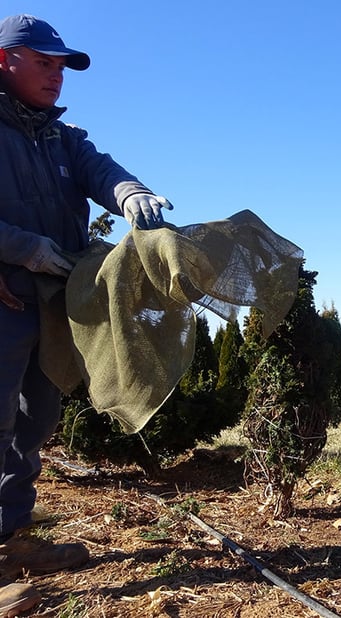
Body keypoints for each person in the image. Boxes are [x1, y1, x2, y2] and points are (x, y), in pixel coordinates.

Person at [0, 14, 173, 614]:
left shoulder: (60, 136)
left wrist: (131, 193)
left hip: (51, 301)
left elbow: (101, 168)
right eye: (44, 63)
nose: (56, 77)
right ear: (5, 60)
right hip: (3, 292)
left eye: (62, 67)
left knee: (35, 420)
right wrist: (23, 248)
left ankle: (13, 537)